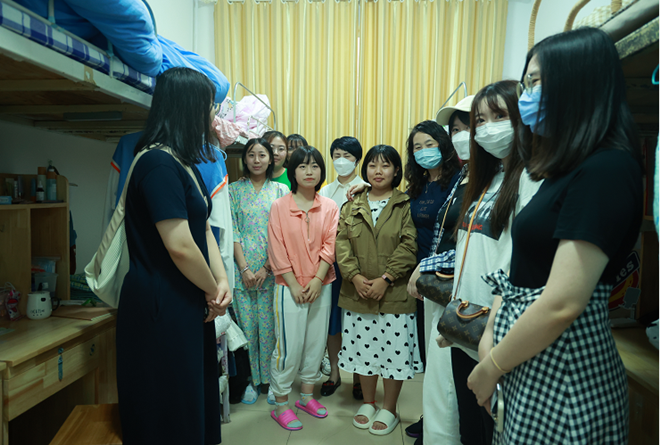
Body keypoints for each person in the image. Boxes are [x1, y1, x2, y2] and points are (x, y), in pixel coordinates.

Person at [468, 28, 643, 444]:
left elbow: (563, 303)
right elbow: (524, 268)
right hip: (526, 355)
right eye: (526, 84)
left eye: (536, 83)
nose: (527, 96)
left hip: (564, 369)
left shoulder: (607, 169)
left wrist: (492, 366)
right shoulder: (563, 170)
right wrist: (492, 333)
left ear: (579, 82)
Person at [116, 67, 232, 445]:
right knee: (167, 404)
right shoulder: (157, 164)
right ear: (189, 108)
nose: (212, 117)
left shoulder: (184, 163)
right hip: (160, 303)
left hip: (186, 297)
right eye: (210, 107)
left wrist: (221, 282)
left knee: (189, 397)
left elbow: (203, 229)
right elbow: (179, 246)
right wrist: (212, 290)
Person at [432, 80, 542, 445]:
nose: (487, 128)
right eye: (480, 120)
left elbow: (518, 266)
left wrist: (489, 335)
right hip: (466, 326)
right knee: (470, 429)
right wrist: (454, 318)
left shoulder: (532, 181)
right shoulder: (486, 180)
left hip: (497, 337)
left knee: (494, 431)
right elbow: (470, 253)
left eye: (499, 116)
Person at [405, 95, 475, 445]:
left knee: (445, 358)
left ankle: (442, 428)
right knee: (432, 358)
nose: (424, 152)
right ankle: (433, 421)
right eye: (417, 147)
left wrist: (425, 267)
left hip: (446, 277)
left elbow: (455, 235)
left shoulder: (459, 179)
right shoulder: (418, 183)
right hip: (424, 279)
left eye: (430, 144)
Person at [336, 145, 420, 436]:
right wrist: (355, 277)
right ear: (365, 170)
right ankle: (369, 403)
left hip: (394, 293)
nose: (378, 171)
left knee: (394, 354)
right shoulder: (352, 205)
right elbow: (341, 244)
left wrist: (386, 278)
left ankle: (390, 408)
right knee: (364, 351)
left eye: (385, 165)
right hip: (357, 293)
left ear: (396, 171)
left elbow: (409, 245)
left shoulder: (405, 204)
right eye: (372, 165)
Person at [267, 146, 339, 430]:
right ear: (292, 172)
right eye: (302, 166)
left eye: (315, 166)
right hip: (289, 287)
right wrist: (295, 284)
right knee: (289, 346)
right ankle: (281, 403)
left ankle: (306, 396)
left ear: (321, 171)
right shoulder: (279, 206)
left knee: (315, 343)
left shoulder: (330, 206)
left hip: (322, 284)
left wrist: (318, 280)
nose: (309, 172)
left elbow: (330, 246)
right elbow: (277, 249)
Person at [229, 138, 289, 404]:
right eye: (251, 154)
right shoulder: (233, 190)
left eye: (262, 154)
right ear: (245, 158)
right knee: (247, 330)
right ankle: (251, 382)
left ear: (271, 159)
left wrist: (266, 268)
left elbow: (283, 234)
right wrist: (244, 268)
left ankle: (271, 381)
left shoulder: (280, 191)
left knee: (270, 331)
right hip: (241, 273)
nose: (256, 160)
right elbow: (233, 231)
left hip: (271, 273)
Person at [318, 136, 367, 399]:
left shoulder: (367, 188)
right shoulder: (325, 191)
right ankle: (334, 373)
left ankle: (359, 377)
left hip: (360, 266)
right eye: (337, 155)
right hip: (331, 265)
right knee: (333, 321)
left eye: (347, 156)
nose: (341, 160)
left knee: (357, 319)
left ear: (357, 160)